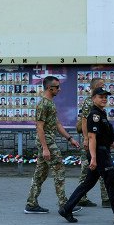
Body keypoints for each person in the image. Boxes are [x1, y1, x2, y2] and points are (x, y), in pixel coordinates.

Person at [59, 88, 114, 225]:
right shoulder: (94, 115)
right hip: (99, 154)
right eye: (101, 96)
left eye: (106, 97)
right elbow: (92, 137)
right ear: (93, 98)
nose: (104, 99)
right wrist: (94, 158)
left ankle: (67, 208)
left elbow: (104, 138)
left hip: (102, 151)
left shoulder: (102, 113)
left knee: (88, 183)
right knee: (112, 184)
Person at [24, 75, 81, 214]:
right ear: (50, 88)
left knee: (40, 174)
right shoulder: (43, 104)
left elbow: (57, 124)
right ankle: (64, 205)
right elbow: (39, 127)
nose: (60, 89)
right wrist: (45, 148)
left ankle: (31, 204)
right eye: (57, 87)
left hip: (48, 142)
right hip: (47, 142)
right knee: (59, 170)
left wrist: (70, 139)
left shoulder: (50, 103)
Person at [74, 77, 110, 207]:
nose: (104, 88)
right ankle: (101, 198)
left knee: (94, 170)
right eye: (102, 85)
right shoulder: (90, 103)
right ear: (96, 87)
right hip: (92, 141)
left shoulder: (96, 102)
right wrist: (86, 139)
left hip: (98, 140)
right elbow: (84, 121)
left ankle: (101, 197)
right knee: (90, 169)